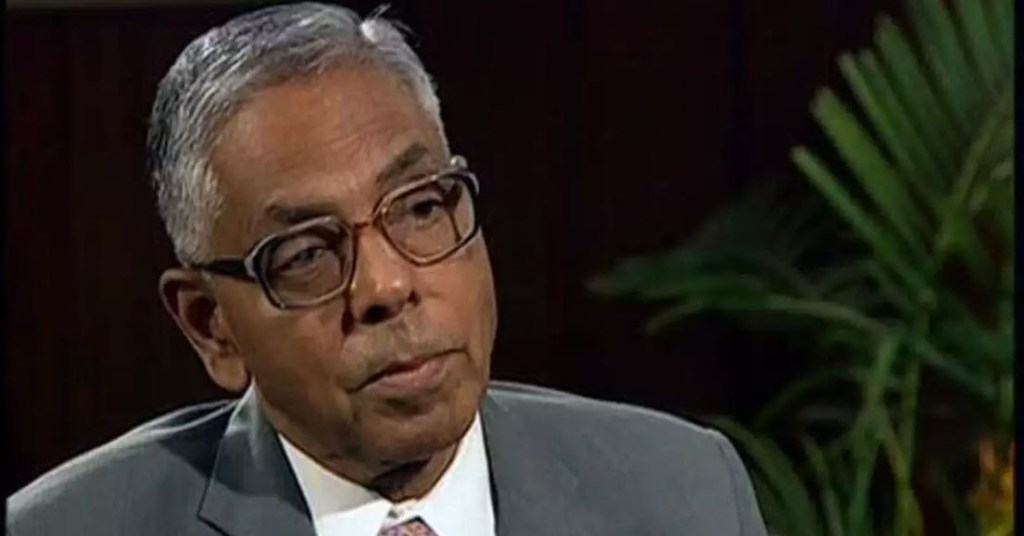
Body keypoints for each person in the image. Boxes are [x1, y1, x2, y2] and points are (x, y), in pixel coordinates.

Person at [6, 3, 768, 535]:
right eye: (307, 254)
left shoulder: (686, 491)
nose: (387, 286)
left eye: (421, 208)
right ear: (211, 327)